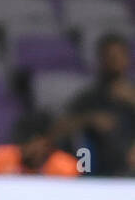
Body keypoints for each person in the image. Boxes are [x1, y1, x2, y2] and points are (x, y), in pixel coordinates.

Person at [57, 34, 135, 177]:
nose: (114, 61)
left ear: (127, 59)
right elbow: (60, 128)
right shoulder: (90, 98)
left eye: (118, 56)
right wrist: (89, 118)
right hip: (102, 173)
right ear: (101, 60)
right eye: (109, 57)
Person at [0, 111, 80, 176]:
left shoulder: (65, 167)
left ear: (44, 141)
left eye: (29, 142)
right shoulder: (3, 158)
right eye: (21, 142)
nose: (23, 148)